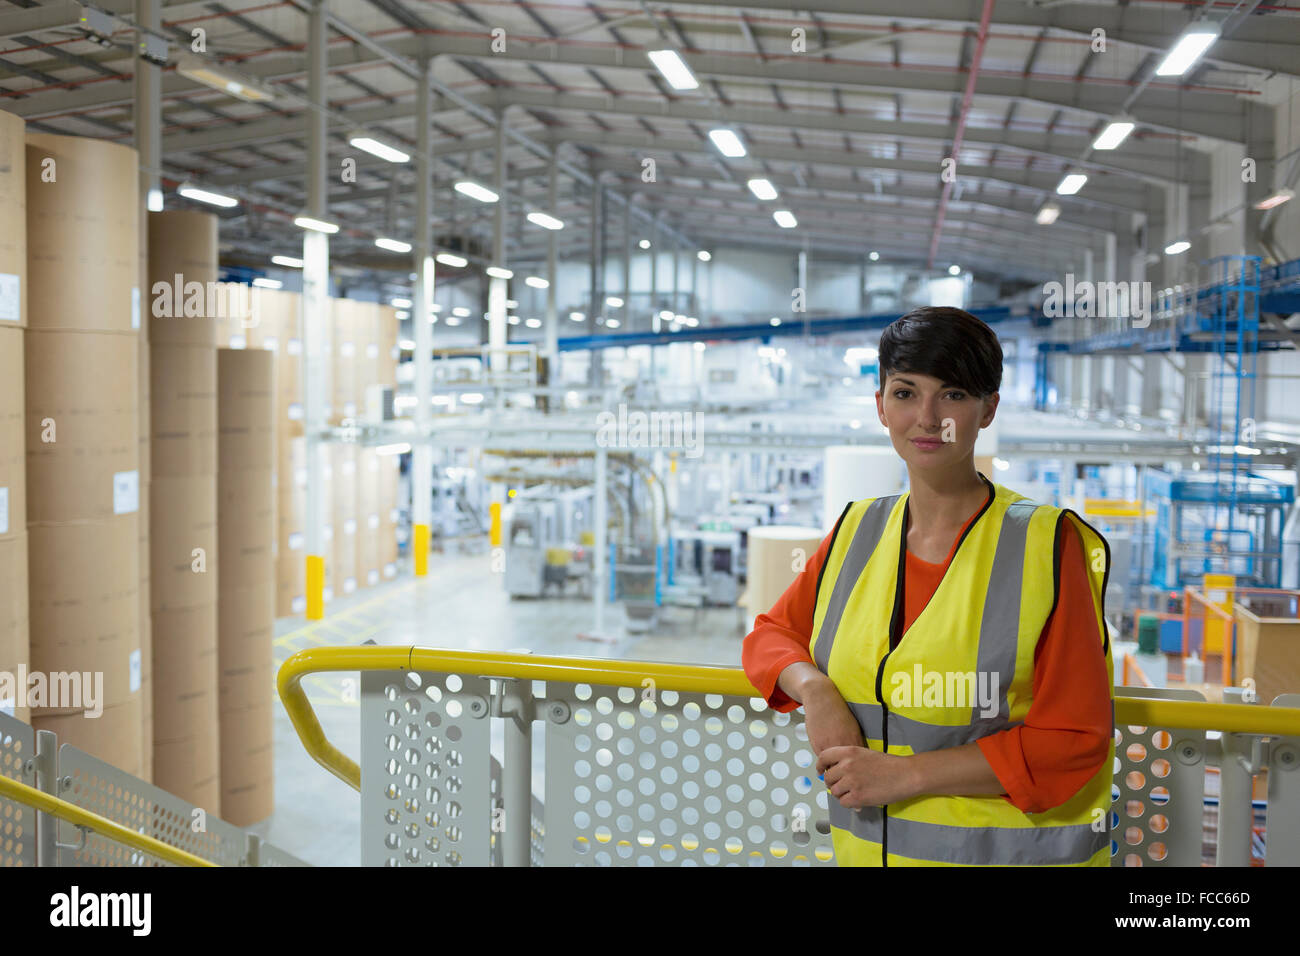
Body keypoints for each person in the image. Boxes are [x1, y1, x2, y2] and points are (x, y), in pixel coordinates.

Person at [741, 306, 1114, 867]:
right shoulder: (857, 530)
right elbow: (771, 635)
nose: (928, 417)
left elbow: (1074, 738)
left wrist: (906, 774)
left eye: (955, 395)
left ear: (988, 409)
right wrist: (815, 691)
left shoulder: (1047, 545)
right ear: (880, 406)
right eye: (905, 392)